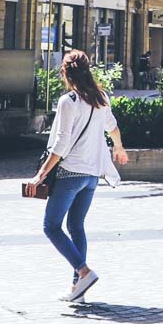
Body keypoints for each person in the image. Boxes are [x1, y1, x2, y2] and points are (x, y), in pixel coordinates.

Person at [29, 50, 128, 302]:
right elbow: (113, 127)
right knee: (75, 225)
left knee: (51, 226)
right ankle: (78, 289)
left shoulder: (68, 101)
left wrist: (40, 175)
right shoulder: (100, 97)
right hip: (92, 176)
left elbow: (61, 144)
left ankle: (83, 272)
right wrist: (118, 147)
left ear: (64, 72)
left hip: (71, 174)